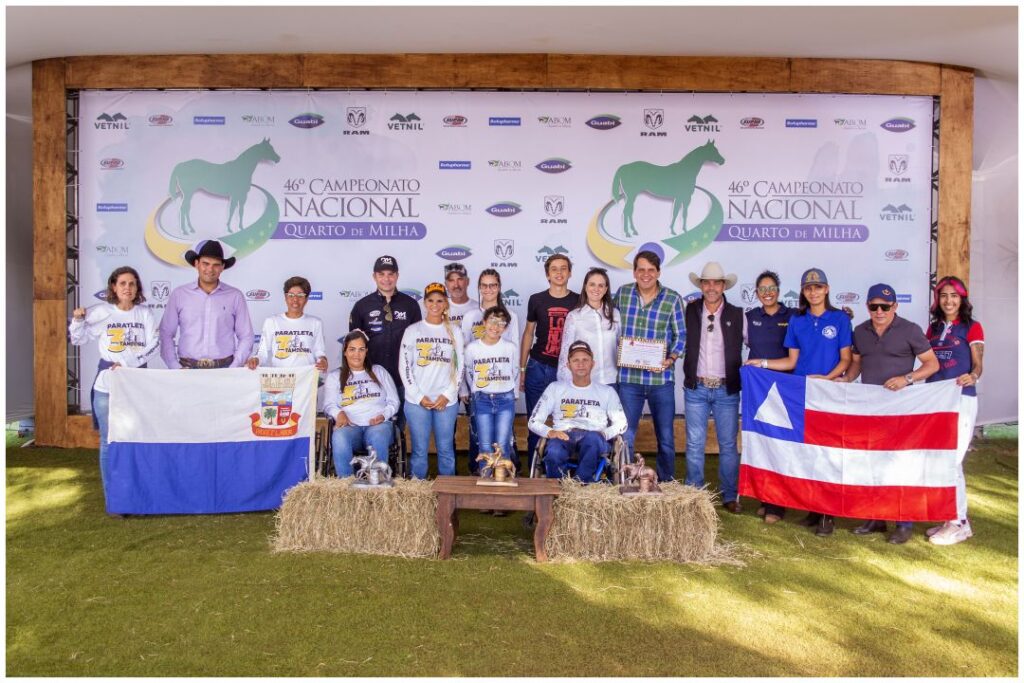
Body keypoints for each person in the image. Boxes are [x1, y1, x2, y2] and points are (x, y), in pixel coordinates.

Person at [746, 267, 852, 537]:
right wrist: (762, 363)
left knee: (829, 453)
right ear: (803, 292)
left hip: (828, 393)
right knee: (807, 451)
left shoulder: (840, 319)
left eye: (818, 287)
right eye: (808, 288)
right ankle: (813, 509)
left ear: (826, 289)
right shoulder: (798, 321)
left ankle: (827, 515)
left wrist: (827, 379)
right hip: (802, 393)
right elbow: (791, 361)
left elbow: (846, 359)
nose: (813, 292)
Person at [841, 283, 940, 545]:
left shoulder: (910, 330)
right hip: (870, 409)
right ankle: (875, 517)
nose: (879, 311)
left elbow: (932, 364)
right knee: (872, 463)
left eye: (885, 306)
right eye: (874, 306)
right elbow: (856, 366)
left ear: (895, 306)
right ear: (867, 307)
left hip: (901, 410)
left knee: (900, 465)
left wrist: (907, 378)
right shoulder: (860, 331)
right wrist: (843, 381)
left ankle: (904, 522)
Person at [69, 266, 159, 515]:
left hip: (137, 384)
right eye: (122, 284)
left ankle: (139, 493)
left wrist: (128, 363)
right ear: (113, 287)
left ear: (137, 288)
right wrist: (77, 320)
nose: (127, 288)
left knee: (138, 438)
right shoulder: (102, 312)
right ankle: (114, 499)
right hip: (107, 386)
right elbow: (79, 338)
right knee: (109, 441)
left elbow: (155, 344)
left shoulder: (145, 314)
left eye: (132, 283)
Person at [614, 250, 686, 483]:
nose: (646, 274)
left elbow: (681, 335)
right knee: (626, 434)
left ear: (658, 272)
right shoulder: (622, 295)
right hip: (629, 379)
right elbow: (609, 327)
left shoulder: (672, 298)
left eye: (651, 270)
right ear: (634, 272)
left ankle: (666, 481)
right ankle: (627, 481)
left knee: (665, 436)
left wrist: (671, 358)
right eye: (641, 269)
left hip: (661, 381)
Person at [682, 262, 747, 514]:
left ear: (723, 286)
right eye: (706, 282)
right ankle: (695, 494)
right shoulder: (689, 311)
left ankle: (730, 495)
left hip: (726, 389)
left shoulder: (737, 314)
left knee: (728, 444)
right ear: (700, 285)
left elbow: (756, 344)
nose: (711, 287)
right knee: (695, 443)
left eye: (716, 282)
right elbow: (674, 338)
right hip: (696, 387)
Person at [924, 276, 984, 545]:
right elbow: (928, 362)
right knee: (940, 459)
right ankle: (953, 518)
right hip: (936, 401)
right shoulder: (934, 328)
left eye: (954, 296)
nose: (949, 301)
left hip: (961, 399)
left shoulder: (972, 327)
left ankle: (958, 523)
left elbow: (978, 364)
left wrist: (973, 375)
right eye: (944, 295)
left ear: (962, 299)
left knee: (953, 460)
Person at [528, 341, 627, 481]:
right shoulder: (555, 388)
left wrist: (604, 434)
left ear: (593, 364)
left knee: (592, 441)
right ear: (568, 365)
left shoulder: (607, 392)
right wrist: (550, 432)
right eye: (575, 360)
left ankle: (581, 487)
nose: (580, 364)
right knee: (554, 449)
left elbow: (622, 423)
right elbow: (533, 421)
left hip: (594, 435)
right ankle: (557, 489)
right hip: (564, 434)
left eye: (585, 360)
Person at [743, 270, 794, 524]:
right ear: (756, 293)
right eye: (762, 289)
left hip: (784, 388)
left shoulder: (793, 316)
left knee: (781, 444)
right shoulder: (750, 317)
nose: (767, 293)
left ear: (779, 289)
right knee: (763, 443)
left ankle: (778, 504)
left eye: (771, 287)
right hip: (759, 388)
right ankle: (765, 498)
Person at [400, 283, 464, 479]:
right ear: (424, 303)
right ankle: (418, 492)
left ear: (446, 303)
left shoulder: (454, 331)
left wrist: (448, 394)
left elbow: (459, 365)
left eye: (439, 300)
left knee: (445, 449)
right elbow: (405, 365)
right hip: (418, 401)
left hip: (446, 401)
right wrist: (418, 396)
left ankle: (448, 494)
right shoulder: (413, 330)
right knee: (419, 449)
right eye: (430, 300)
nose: (435, 305)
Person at [348, 255, 422, 426]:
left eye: (390, 274)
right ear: (374, 276)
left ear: (397, 275)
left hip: (402, 379)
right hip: (370, 380)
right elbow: (353, 347)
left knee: (398, 430)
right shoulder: (361, 306)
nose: (386, 279)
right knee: (373, 427)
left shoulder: (410, 305)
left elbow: (418, 345)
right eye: (381, 274)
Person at [159, 239, 253, 369]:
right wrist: (175, 367)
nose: (210, 269)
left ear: (222, 267)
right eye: (205, 263)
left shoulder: (235, 296)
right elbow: (166, 333)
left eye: (216, 264)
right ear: (196, 264)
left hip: (225, 369)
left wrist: (234, 367)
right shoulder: (179, 295)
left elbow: (246, 336)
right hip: (186, 369)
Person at [461, 269, 520, 474]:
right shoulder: (470, 316)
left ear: (499, 287)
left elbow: (514, 355)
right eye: (484, 285)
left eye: (493, 285)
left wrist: (514, 391)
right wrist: (465, 388)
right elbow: (465, 358)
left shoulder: (510, 316)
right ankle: (480, 475)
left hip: (503, 389)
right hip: (479, 389)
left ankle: (504, 478)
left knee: (504, 439)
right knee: (479, 436)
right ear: (479, 288)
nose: (489, 289)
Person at [520, 254, 577, 459]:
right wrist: (522, 368)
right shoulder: (537, 299)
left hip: (568, 371)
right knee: (536, 421)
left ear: (570, 272)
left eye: (563, 268)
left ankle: (560, 467)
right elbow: (528, 333)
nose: (559, 273)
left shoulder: (579, 300)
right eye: (554, 269)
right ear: (547, 274)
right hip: (538, 366)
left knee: (568, 421)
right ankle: (534, 470)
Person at [323, 330, 400, 477]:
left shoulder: (379, 371)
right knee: (339, 436)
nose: (356, 354)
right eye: (352, 349)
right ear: (345, 352)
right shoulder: (334, 377)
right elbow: (328, 404)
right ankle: (346, 486)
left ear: (366, 352)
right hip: (351, 427)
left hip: (378, 426)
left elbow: (394, 401)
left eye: (361, 349)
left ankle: (377, 482)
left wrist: (383, 416)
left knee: (378, 435)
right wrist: (338, 413)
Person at [464, 307, 520, 504]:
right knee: (485, 445)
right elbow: (469, 372)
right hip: (482, 399)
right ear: (484, 323)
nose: (496, 327)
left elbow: (515, 371)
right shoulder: (472, 348)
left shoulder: (510, 347)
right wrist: (476, 391)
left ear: (505, 328)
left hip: (505, 399)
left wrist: (511, 393)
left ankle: (502, 494)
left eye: (501, 323)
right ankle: (486, 493)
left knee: (503, 444)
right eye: (492, 321)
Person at [246, 276, 328, 373]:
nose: (295, 300)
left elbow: (319, 352)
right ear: (285, 297)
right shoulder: (272, 322)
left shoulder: (315, 323)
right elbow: (262, 353)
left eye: (300, 295)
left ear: (306, 299)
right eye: (291, 295)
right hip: (280, 379)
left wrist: (323, 360)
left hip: (306, 379)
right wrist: (256, 360)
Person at [557, 267, 620, 387]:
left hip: (612, 381)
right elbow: (565, 354)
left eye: (601, 285)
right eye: (592, 284)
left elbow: (621, 346)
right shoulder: (574, 316)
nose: (596, 289)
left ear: (606, 289)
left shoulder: (615, 314)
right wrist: (565, 385)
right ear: (585, 287)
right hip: (584, 383)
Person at [442, 262, 477, 328]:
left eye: (460, 279)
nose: (456, 285)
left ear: (467, 281)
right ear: (446, 284)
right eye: (451, 280)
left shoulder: (478, 308)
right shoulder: (439, 309)